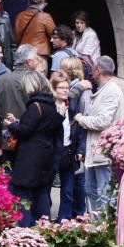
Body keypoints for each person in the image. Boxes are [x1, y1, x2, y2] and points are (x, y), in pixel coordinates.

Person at [4, 71, 62, 226]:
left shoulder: (35, 106)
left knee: (23, 193)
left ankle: (24, 229)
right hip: (46, 154)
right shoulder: (50, 105)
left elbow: (26, 130)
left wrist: (12, 125)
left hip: (31, 157)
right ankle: (43, 227)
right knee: (41, 192)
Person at [73, 56, 124, 213]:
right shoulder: (105, 90)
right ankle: (98, 228)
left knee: (104, 194)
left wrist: (81, 119)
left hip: (104, 152)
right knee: (91, 190)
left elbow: (103, 121)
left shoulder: (112, 91)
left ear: (98, 70)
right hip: (96, 151)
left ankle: (105, 230)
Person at [0, 44, 39, 166]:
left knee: (8, 177)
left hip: (7, 137)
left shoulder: (2, 80)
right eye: (36, 58)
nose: (38, 61)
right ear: (28, 62)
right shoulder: (36, 81)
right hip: (31, 139)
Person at [51, 75, 86, 221]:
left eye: (67, 87)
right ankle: (44, 219)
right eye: (61, 88)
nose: (65, 90)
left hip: (68, 151)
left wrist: (80, 150)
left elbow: (79, 130)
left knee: (68, 191)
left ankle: (63, 220)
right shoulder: (50, 106)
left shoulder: (72, 106)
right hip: (52, 152)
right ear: (54, 89)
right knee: (46, 189)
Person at [14, 0, 56, 64]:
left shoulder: (20, 16)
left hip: (23, 54)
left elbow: (16, 37)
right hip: (39, 55)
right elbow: (54, 35)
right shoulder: (45, 16)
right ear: (43, 1)